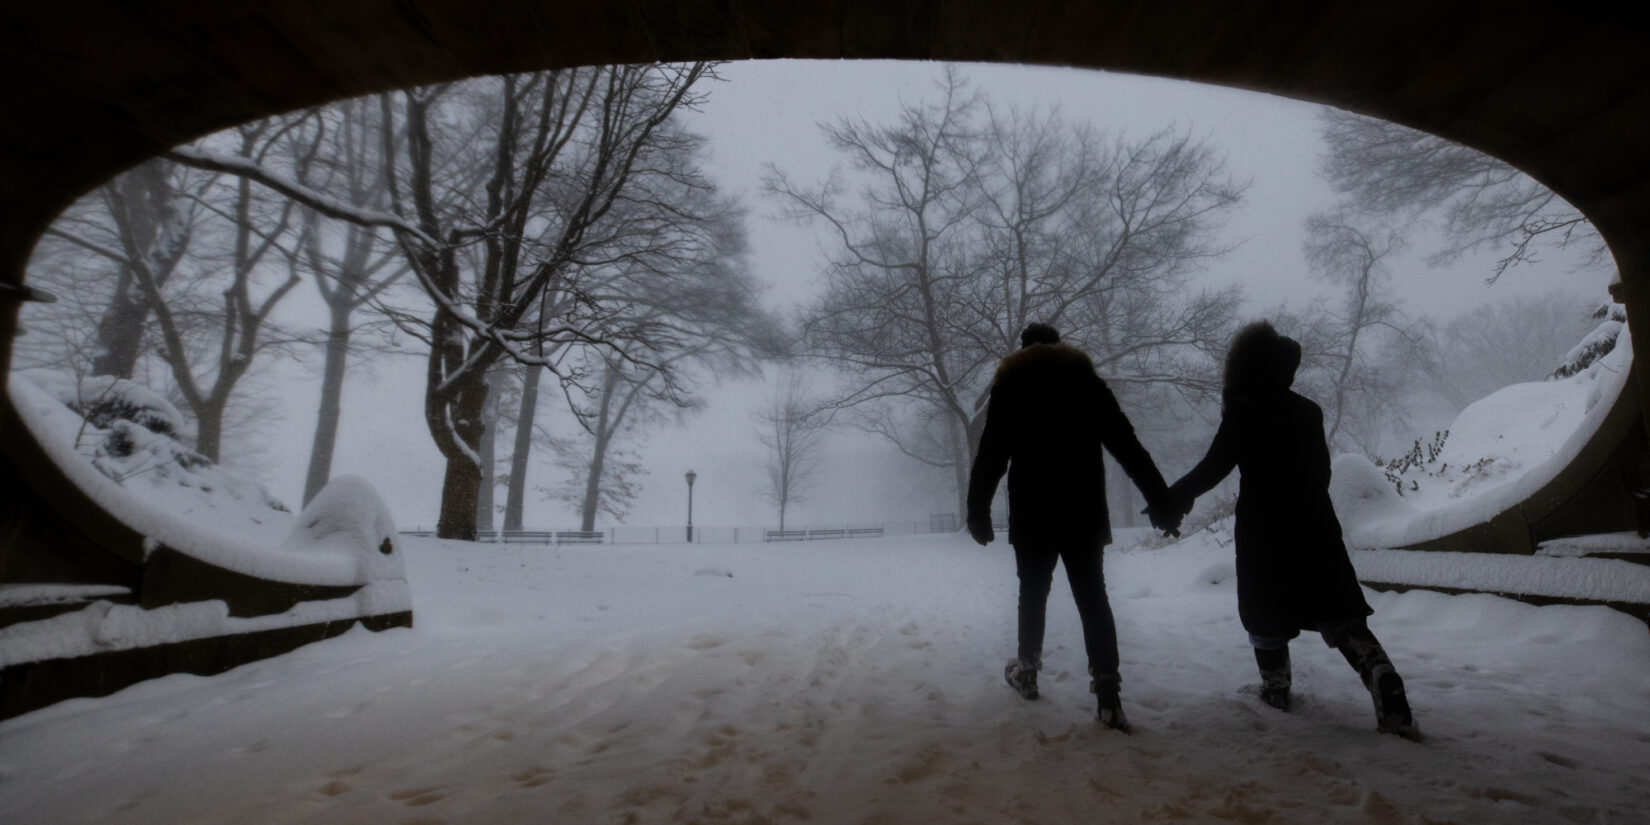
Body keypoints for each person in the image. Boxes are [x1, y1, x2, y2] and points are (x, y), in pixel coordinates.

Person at [1165, 321, 1418, 739]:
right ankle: (1380, 673)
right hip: (1315, 523)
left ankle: (1276, 688)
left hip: (1265, 530)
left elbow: (1211, 470)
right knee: (1338, 609)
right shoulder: (1308, 412)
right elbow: (1320, 472)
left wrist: (1170, 501)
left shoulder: (1244, 413)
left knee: (1264, 611)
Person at [966, 322, 1183, 732]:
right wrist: (1161, 500)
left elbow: (991, 454)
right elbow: (1127, 444)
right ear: (1058, 345)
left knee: (1032, 590)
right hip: (1083, 512)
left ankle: (1027, 669)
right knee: (1092, 597)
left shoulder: (1010, 384)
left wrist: (977, 509)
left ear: (1024, 348)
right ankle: (1108, 692)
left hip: (1033, 514)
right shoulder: (1086, 382)